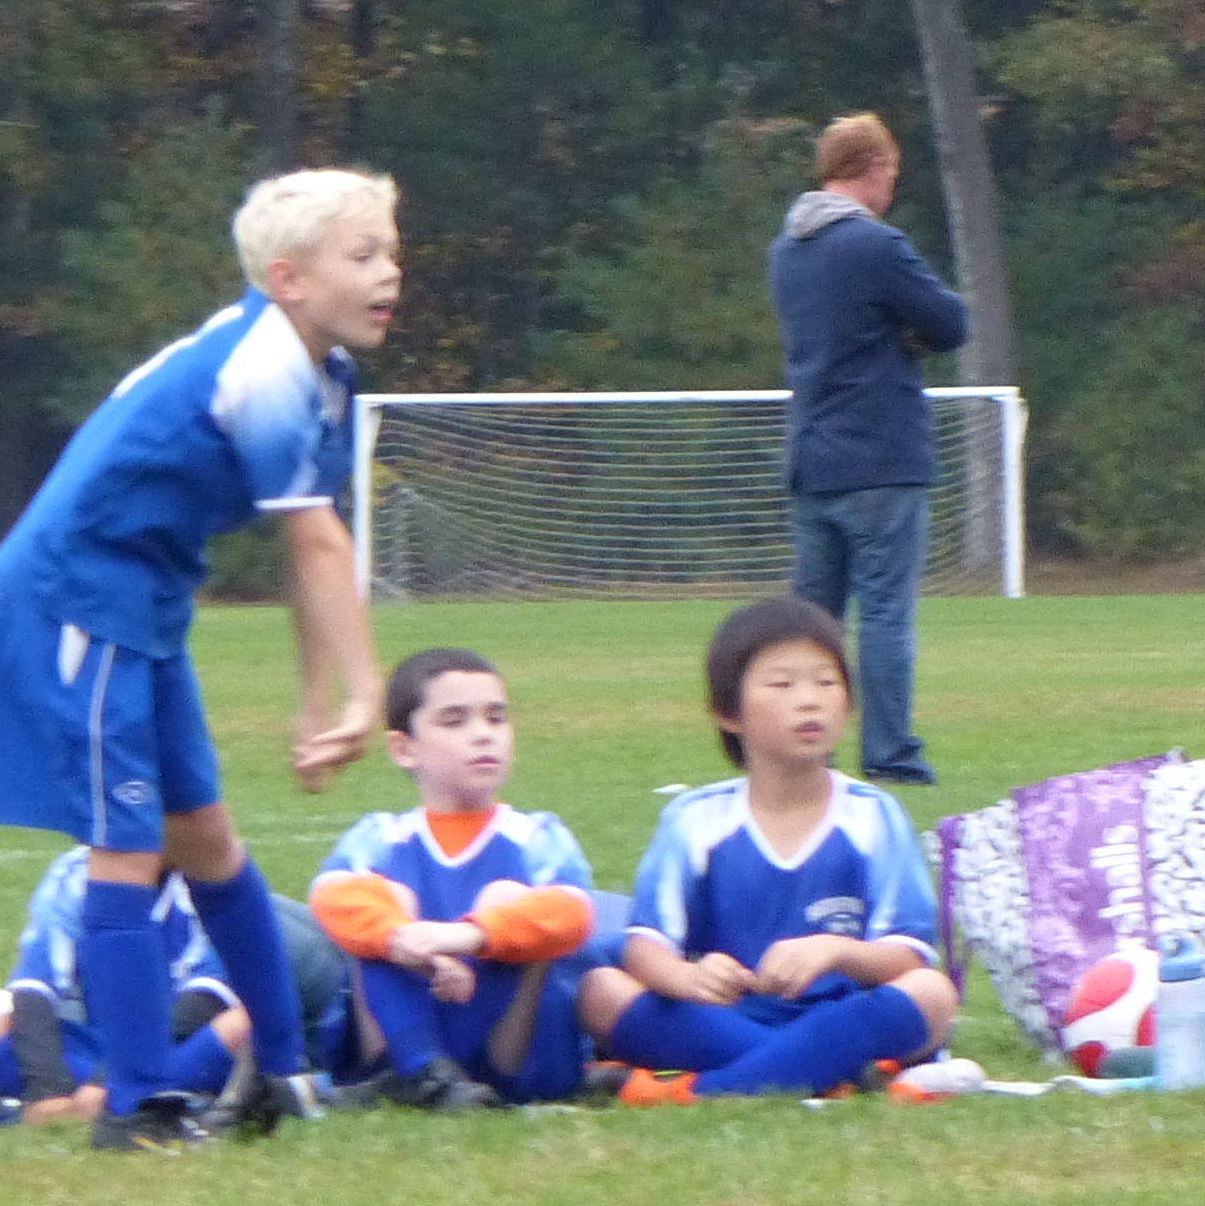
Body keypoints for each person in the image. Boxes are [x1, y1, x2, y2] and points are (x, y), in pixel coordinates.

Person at [0, 166, 396, 1149]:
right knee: (127, 845)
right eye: (364, 254)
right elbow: (317, 543)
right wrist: (367, 688)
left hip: (144, 606)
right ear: (289, 279)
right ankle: (137, 1109)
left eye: (392, 252)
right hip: (76, 602)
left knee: (205, 837)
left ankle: (282, 1073)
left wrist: (312, 698)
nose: (390, 274)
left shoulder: (321, 371)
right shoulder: (266, 366)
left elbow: (303, 540)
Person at [583, 596, 960, 1102]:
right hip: (723, 1015)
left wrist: (834, 951)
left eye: (826, 682)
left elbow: (908, 954)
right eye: (782, 684)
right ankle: (831, 1074)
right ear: (728, 713)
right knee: (599, 989)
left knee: (933, 992)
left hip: (845, 1015)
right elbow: (646, 948)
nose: (810, 701)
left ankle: (699, 1091)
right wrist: (689, 978)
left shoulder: (873, 815)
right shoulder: (695, 819)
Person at [307, 646, 605, 1107]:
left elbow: (574, 913)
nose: (483, 735)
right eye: (455, 721)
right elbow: (330, 897)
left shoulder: (537, 835)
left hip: (510, 1056)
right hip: (396, 1052)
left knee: (506, 898)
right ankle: (421, 1066)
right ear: (404, 749)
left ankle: (456, 1079)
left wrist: (467, 937)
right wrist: (405, 942)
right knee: (382, 908)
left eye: (495, 718)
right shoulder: (381, 836)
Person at [768, 113, 969, 789]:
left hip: (811, 458)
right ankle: (889, 755)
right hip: (880, 458)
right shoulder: (875, 245)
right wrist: (905, 333)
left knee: (811, 627)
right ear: (875, 167)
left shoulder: (786, 250)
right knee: (884, 615)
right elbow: (951, 322)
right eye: (892, 171)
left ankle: (802, 751)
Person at [0, 847, 357, 1124]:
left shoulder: (210, 883)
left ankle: (31, 1112)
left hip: (179, 1044)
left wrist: (108, 1082)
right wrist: (47, 1090)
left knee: (244, 1024)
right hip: (102, 1046)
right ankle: (89, 1108)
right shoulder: (73, 873)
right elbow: (35, 988)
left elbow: (200, 1004)